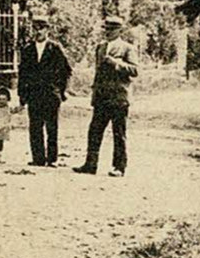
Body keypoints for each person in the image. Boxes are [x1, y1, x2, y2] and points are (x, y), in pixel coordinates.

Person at [75, 14, 138, 177]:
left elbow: (135, 70)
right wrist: (94, 93)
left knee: (119, 133)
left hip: (118, 97)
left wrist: (116, 63)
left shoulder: (127, 48)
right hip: (102, 97)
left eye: (112, 29)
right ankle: (90, 164)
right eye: (106, 29)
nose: (108, 32)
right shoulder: (100, 47)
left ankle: (119, 167)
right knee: (94, 131)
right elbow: (98, 72)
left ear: (119, 31)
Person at [17, 15, 73, 166]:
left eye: (41, 28)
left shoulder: (55, 48)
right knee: (35, 127)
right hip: (34, 94)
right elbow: (22, 74)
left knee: (52, 127)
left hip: (51, 94)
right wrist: (22, 96)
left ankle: (52, 159)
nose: (37, 31)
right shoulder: (27, 49)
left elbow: (66, 71)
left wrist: (63, 91)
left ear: (47, 29)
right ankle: (38, 158)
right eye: (34, 28)